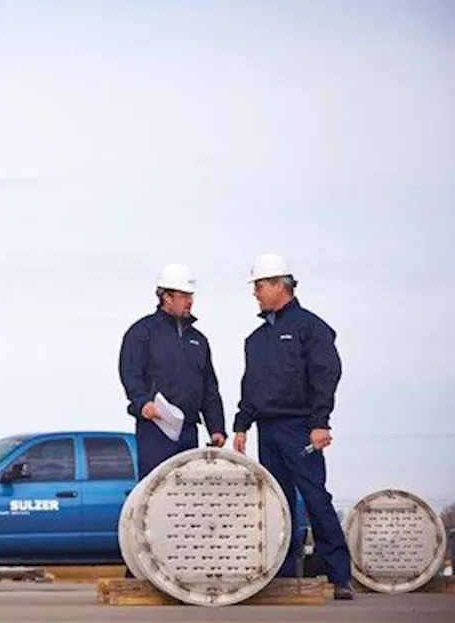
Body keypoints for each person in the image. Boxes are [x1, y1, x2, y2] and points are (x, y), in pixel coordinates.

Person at [232, 253, 354, 600]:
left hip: (301, 428)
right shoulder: (255, 340)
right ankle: (283, 575)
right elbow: (250, 385)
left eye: (259, 286)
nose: (255, 293)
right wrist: (242, 425)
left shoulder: (310, 328)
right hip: (267, 431)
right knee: (277, 504)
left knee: (315, 498)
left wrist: (320, 422)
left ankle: (340, 575)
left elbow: (325, 374)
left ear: (278, 286)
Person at [118, 263, 227, 482]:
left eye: (191, 295)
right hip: (155, 430)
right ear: (167, 297)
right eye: (184, 295)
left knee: (186, 495)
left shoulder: (199, 340)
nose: (190, 301)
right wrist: (141, 402)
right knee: (156, 491)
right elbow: (130, 372)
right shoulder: (142, 332)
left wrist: (217, 428)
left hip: (188, 431)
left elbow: (209, 387)